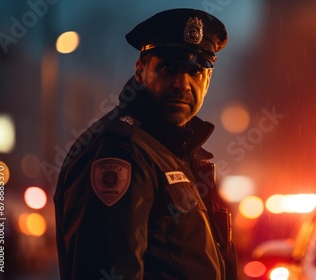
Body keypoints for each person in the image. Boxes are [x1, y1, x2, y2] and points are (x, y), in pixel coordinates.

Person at [54, 8, 238, 280]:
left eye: (195, 72)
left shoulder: (168, 150)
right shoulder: (119, 152)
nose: (182, 84)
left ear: (207, 80)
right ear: (140, 71)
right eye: (168, 67)